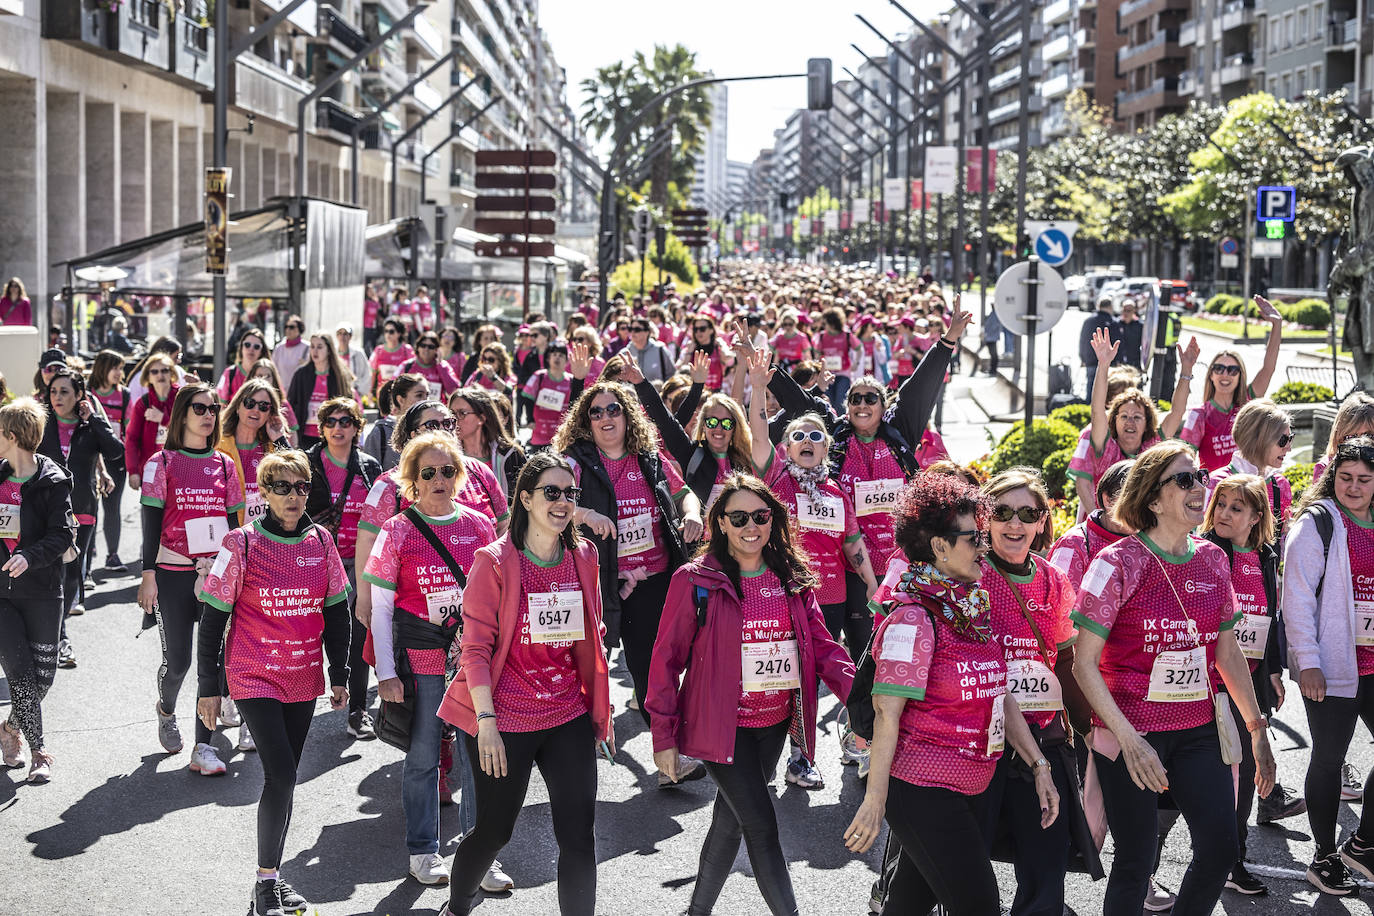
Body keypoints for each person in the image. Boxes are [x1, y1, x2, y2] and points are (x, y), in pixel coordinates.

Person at [1071, 441, 1276, 915]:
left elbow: (1227, 652)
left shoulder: (1212, 559)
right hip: (1131, 733)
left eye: (1200, 476)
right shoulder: (1115, 562)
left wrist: (1257, 729)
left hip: (1197, 730)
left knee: (1221, 849)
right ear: (1153, 497)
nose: (1199, 487)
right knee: (1137, 861)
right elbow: (1084, 664)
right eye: (1184, 480)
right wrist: (1128, 738)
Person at [843, 471, 1059, 916]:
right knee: (980, 906)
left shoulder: (972, 608)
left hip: (971, 786)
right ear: (939, 547)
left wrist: (1040, 765)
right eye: (972, 537)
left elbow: (1000, 696)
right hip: (922, 790)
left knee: (907, 905)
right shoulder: (913, 619)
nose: (983, 546)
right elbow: (887, 715)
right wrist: (875, 800)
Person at [647, 474, 855, 916]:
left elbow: (822, 646)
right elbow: (665, 662)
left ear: (772, 519)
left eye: (760, 516)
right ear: (719, 523)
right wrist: (663, 738)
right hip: (722, 727)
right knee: (761, 826)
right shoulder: (696, 581)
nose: (750, 526)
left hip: (774, 722)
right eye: (738, 517)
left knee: (730, 820)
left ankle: (696, 911)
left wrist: (859, 697)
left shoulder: (791, 578)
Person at [436, 452, 613, 916]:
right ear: (527, 498)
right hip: (505, 717)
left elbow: (590, 633)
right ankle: (456, 907)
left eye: (570, 493)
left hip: (565, 712)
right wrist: (486, 723)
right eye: (551, 492)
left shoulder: (584, 554)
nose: (562, 502)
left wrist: (600, 711)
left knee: (578, 835)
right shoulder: (493, 561)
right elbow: (474, 650)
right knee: (495, 831)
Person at [194, 449, 351, 916]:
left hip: (302, 678)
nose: (292, 496)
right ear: (264, 492)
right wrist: (209, 686)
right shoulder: (241, 543)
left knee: (286, 782)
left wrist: (338, 674)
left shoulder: (321, 542)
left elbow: (337, 612)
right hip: (253, 674)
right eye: (281, 487)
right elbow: (212, 619)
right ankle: (266, 886)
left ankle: (273, 878)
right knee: (280, 774)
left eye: (300, 487)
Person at [362, 432, 496, 887]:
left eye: (448, 471)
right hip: (419, 657)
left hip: (470, 659)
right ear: (412, 481)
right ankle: (423, 851)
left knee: (478, 758)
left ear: (460, 476)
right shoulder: (397, 528)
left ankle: (481, 854)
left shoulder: (480, 524)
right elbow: (380, 607)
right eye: (428, 473)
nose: (439, 479)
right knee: (423, 756)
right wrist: (383, 672)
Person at [550, 380, 704, 768]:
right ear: (586, 421)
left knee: (658, 668)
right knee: (603, 664)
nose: (605, 417)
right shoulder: (575, 461)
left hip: (656, 579)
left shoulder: (649, 457)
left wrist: (691, 514)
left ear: (627, 415)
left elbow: (684, 491)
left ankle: (669, 754)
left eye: (613, 409)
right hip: (604, 582)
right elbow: (547, 496)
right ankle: (587, 742)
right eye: (596, 412)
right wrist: (586, 514)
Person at [979, 468, 1100, 916]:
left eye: (1026, 513)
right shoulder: (969, 573)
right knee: (966, 876)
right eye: (1002, 512)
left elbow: (1066, 662)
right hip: (979, 743)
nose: (1014, 524)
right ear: (984, 517)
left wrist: (1089, 728)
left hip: (1044, 741)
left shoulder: (1054, 579)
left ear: (1042, 520)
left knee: (1046, 872)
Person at [1201, 474, 1305, 896]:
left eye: (1236, 508)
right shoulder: (1207, 550)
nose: (1224, 513)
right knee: (1195, 782)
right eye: (1221, 504)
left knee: (1244, 776)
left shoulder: (1265, 555)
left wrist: (1274, 671)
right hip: (1208, 684)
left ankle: (1233, 859)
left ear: (1256, 516)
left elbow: (1271, 617)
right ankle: (1150, 865)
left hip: (1250, 683)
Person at [138, 383, 246, 776]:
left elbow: (238, 526)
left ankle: (204, 745)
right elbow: (150, 524)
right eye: (199, 407)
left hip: (215, 576)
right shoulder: (161, 462)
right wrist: (147, 574)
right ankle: (166, 710)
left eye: (213, 408)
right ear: (182, 413)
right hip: (171, 574)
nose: (208, 415)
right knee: (179, 662)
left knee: (213, 662)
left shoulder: (224, 464)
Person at [1282, 436, 1374, 895]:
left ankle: (1363, 843)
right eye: (1345, 478)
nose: (1354, 487)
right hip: (1333, 664)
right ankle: (1323, 856)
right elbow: (1296, 598)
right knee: (1330, 756)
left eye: (1364, 479)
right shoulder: (1318, 522)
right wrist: (1308, 662)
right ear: (1332, 477)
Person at [0, 398, 75, 784]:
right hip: (2, 594)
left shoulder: (53, 481)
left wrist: (30, 556)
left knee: (44, 678)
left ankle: (10, 726)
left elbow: (64, 534)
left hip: (43, 590)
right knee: (21, 675)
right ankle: (39, 751)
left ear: (12, 437)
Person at [304, 397, 382, 741]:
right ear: (322, 428)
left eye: (345, 421)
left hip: (357, 565)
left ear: (356, 427)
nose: (338, 428)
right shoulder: (306, 464)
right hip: (312, 562)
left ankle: (357, 710)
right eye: (331, 421)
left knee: (356, 634)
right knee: (307, 634)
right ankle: (297, 706)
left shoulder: (369, 467)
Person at [37, 367, 123, 668]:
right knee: (52, 573)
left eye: (65, 392)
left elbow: (115, 451)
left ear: (79, 397)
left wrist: (94, 419)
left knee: (73, 572)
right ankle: (57, 637)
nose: (57, 397)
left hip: (82, 508)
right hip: (45, 511)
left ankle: (59, 634)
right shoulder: (42, 423)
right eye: (54, 391)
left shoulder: (89, 427)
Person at [1162, 296, 1284, 471]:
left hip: (1248, 490)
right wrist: (1186, 369)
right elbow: (1183, 457)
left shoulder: (1247, 404)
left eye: (1232, 370)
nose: (1225, 374)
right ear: (1211, 375)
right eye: (1219, 368)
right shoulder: (1199, 415)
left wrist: (1277, 324)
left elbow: (1268, 368)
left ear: (1240, 376)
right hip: (1216, 494)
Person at [1068, 329, 1164, 514]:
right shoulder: (1092, 433)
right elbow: (1082, 484)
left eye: (1137, 415)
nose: (1130, 400)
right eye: (1121, 398)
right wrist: (1097, 519)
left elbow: (1176, 414)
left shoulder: (1149, 441)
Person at [1204, 399, 1294, 542]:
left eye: (1291, 438)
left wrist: (1289, 536)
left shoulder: (1281, 486)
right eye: (1283, 440)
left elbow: (1277, 549)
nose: (1289, 447)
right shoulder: (1216, 483)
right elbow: (1200, 540)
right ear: (1259, 440)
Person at [215, 378, 290, 532]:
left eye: (263, 407)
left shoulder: (272, 447)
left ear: (270, 413)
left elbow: (298, 474)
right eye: (250, 403)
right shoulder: (217, 443)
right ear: (237, 407)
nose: (256, 410)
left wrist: (279, 438)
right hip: (223, 530)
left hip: (263, 534)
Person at [1049, 459, 1134, 589]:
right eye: (1133, 499)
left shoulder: (1150, 541)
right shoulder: (1073, 544)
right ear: (1108, 500)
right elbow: (1060, 602)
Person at [88, 350, 131, 572]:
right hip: (91, 458)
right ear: (103, 367)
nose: (119, 373)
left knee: (112, 506)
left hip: (115, 458)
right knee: (90, 506)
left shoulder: (124, 395)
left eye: (121, 368)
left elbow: (129, 429)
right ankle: (88, 550)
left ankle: (112, 555)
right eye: (116, 367)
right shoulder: (88, 393)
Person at [451, 386, 525, 498]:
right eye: (452, 413)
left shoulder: (511, 454)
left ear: (481, 418)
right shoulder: (446, 456)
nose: (454, 420)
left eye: (462, 413)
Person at [286, 332, 352, 450]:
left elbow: (348, 406)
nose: (315, 351)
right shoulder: (301, 374)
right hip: (304, 436)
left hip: (331, 436)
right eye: (312, 346)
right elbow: (290, 404)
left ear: (329, 350)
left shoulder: (339, 375)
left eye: (320, 347)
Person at [124, 354, 178, 490]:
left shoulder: (182, 398)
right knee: (150, 511)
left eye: (165, 370)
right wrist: (133, 471)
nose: (160, 375)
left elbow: (189, 429)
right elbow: (132, 439)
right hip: (151, 469)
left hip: (179, 468)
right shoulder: (143, 403)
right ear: (148, 377)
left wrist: (164, 419)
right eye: (154, 371)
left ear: (171, 373)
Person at [363, 373, 429, 471]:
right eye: (419, 395)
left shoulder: (432, 431)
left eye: (427, 395)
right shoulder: (380, 433)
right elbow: (369, 476)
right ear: (400, 400)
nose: (425, 401)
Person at [519, 339, 573, 452]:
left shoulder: (571, 380)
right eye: (554, 354)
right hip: (540, 436)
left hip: (562, 437)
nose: (557, 358)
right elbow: (527, 397)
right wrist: (530, 419)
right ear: (548, 358)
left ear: (567, 361)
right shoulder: (539, 376)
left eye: (561, 355)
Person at [813, 307, 864, 411]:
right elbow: (817, 354)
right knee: (828, 401)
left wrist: (856, 363)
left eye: (826, 323)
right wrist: (818, 366)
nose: (824, 325)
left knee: (840, 402)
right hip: (827, 374)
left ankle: (840, 425)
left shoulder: (846, 335)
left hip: (843, 374)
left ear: (832, 323)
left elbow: (859, 349)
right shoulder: (822, 336)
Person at [1316, 393, 1374, 480]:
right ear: (1338, 436)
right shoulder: (1324, 469)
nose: (1360, 443)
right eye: (1351, 437)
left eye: (1368, 436)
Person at [400, 331, 462, 403]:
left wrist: (440, 366)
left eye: (431, 347)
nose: (426, 349)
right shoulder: (407, 365)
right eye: (423, 345)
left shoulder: (444, 366)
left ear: (437, 350)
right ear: (418, 347)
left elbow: (454, 390)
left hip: (436, 411)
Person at [1079, 297, 1119, 402]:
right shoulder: (1113, 322)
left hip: (1090, 360)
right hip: (1109, 363)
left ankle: (1089, 414)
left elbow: (1083, 340)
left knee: (1090, 389)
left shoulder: (1088, 321)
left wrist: (1083, 358)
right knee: (1106, 392)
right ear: (1110, 307)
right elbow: (1117, 344)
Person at [217, 327, 269, 403]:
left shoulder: (268, 374)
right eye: (247, 345)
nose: (251, 349)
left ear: (262, 351)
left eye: (256, 346)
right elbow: (220, 404)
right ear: (241, 347)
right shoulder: (229, 373)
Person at [622, 316, 675, 384]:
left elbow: (672, 375)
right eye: (630, 329)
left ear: (647, 332)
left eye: (637, 329)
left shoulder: (660, 350)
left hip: (657, 393)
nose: (632, 332)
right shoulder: (624, 353)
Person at [371, 318, 416, 391]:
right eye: (386, 331)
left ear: (399, 333)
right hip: (382, 393)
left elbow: (413, 372)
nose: (388, 334)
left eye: (391, 331)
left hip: (401, 392)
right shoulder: (378, 350)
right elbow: (372, 373)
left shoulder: (407, 349)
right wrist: (369, 392)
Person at [272, 315, 310, 390]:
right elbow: (272, 369)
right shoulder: (279, 348)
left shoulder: (307, 347)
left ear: (300, 329)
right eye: (286, 327)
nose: (288, 329)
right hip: (281, 391)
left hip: (299, 389)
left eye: (292, 327)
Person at [336, 323, 372, 401]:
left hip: (354, 396)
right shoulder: (333, 353)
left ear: (350, 336)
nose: (342, 337)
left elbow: (367, 374)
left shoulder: (358, 353)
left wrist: (358, 392)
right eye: (339, 333)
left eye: (345, 334)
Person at [1117, 300, 1144, 369]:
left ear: (1134, 311)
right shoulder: (1116, 324)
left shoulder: (1140, 325)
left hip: (1135, 363)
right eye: (1124, 310)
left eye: (1128, 311)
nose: (1126, 313)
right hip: (1120, 363)